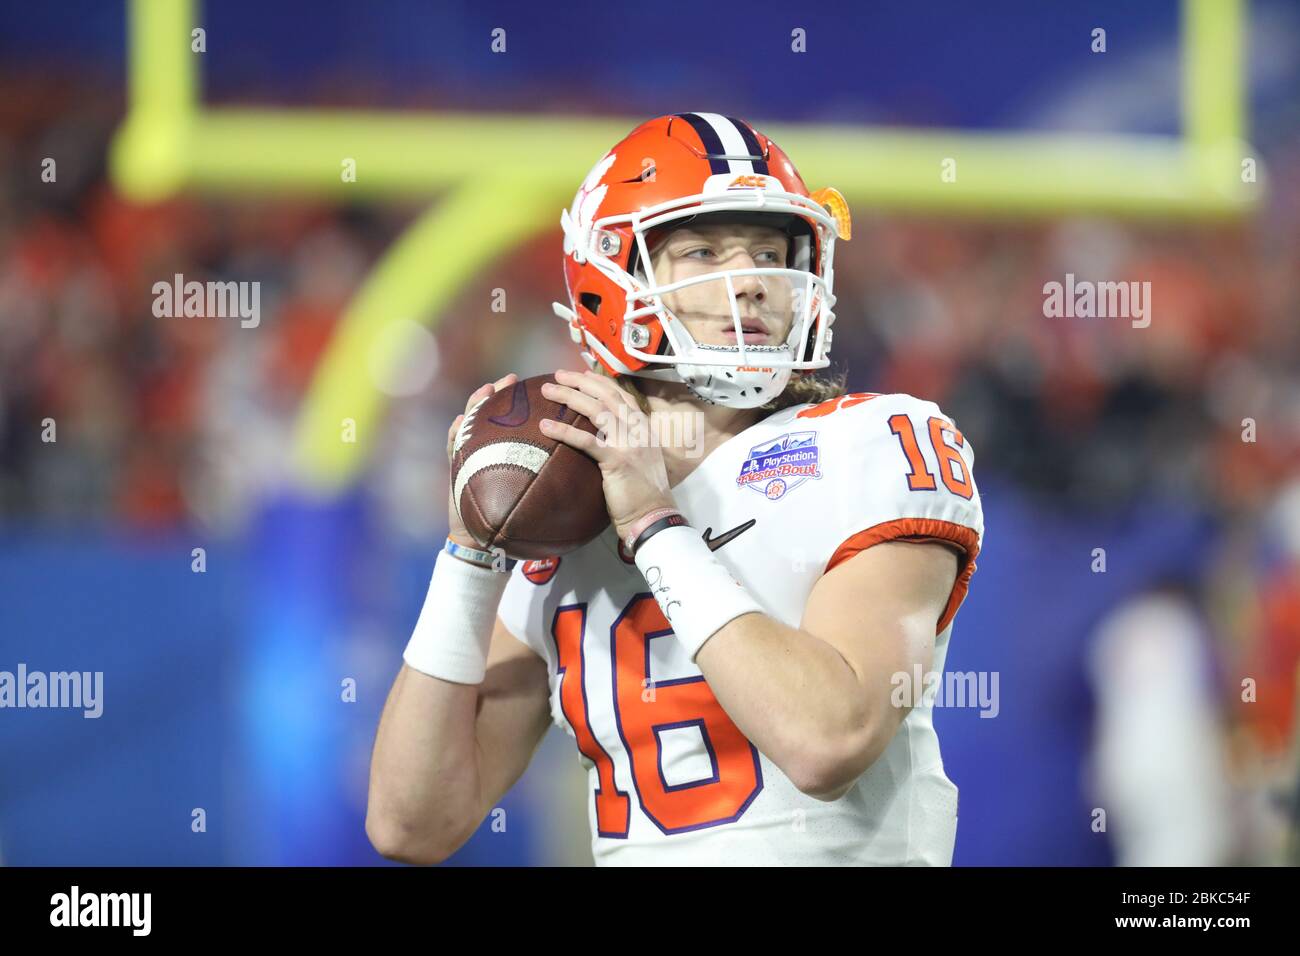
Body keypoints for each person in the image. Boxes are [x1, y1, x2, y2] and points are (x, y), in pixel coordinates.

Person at [367, 112, 984, 865]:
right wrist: (470, 553)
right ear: (610, 274)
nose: (754, 281)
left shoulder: (873, 443)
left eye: (769, 250)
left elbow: (829, 739)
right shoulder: (562, 502)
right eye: (702, 250)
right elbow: (410, 825)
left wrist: (656, 525)